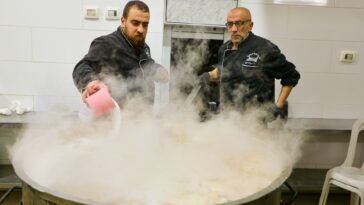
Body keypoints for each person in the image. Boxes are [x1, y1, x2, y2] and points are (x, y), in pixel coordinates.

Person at [200, 7, 300, 119]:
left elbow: (291, 75)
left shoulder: (265, 48)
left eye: (239, 23)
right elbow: (224, 70)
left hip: (254, 119)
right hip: (227, 116)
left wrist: (278, 106)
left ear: (250, 26)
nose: (233, 29)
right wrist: (208, 75)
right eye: (230, 24)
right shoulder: (224, 48)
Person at [73, 0, 168, 106]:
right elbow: (81, 66)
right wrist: (90, 82)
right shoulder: (107, 44)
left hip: (143, 117)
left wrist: (157, 69)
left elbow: (145, 65)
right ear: (123, 21)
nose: (141, 29)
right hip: (116, 119)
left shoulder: (142, 46)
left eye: (145, 25)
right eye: (135, 23)